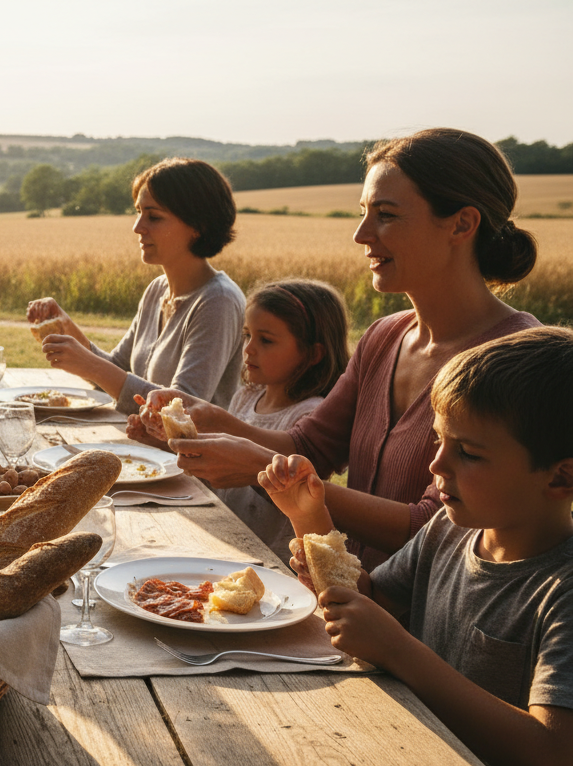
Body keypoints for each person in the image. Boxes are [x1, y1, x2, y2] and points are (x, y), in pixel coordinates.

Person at [143, 128, 541, 570]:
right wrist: (211, 418)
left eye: (385, 215)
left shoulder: (511, 360)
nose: (361, 234)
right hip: (351, 598)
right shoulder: (384, 336)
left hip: (419, 625)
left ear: (462, 224)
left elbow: (434, 528)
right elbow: (310, 444)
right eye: (363, 213)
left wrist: (268, 472)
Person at [257, 327, 573, 766]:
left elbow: (552, 752)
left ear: (559, 478)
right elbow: (369, 602)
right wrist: (309, 517)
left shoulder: (561, 591)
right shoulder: (448, 529)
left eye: (468, 453)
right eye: (439, 439)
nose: (436, 464)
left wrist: (399, 651)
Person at [28, 158, 246, 410]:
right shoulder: (157, 290)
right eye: (138, 212)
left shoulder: (218, 301)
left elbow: (182, 408)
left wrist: (90, 365)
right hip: (146, 446)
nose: (137, 227)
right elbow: (116, 371)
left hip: (190, 451)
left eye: (153, 216)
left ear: (197, 226)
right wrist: (67, 328)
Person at [200, 279, 349, 552]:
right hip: (224, 539)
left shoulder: (309, 415)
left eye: (266, 340)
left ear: (313, 353)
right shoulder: (245, 397)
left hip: (271, 554)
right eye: (247, 335)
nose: (248, 349)